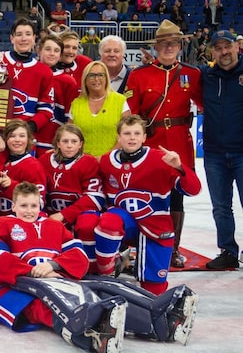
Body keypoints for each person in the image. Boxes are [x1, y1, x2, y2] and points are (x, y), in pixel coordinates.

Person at [0, 181, 126, 353]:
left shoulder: (55, 226)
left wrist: (52, 265)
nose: (29, 211)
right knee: (39, 307)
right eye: (23, 205)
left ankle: (147, 320)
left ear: (40, 205)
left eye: (34, 205)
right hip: (13, 285)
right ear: (13, 206)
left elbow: (79, 256)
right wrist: (33, 272)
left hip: (56, 280)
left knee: (98, 295)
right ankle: (85, 336)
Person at [124, 19, 203, 269]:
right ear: (156, 47)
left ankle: (173, 249)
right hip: (152, 145)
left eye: (173, 43)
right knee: (148, 197)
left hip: (180, 141)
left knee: (178, 197)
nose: (169, 48)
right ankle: (143, 245)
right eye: (164, 44)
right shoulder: (139, 75)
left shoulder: (193, 74)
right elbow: (131, 114)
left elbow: (205, 104)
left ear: (179, 46)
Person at [96, 115, 201, 294]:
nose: (132, 137)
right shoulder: (107, 161)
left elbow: (194, 190)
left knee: (154, 288)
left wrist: (180, 167)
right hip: (125, 222)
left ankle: (155, 314)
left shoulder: (162, 159)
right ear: (119, 137)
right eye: (127, 133)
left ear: (144, 137)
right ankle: (106, 272)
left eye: (137, 133)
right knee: (107, 223)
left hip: (155, 226)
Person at [201, 30, 243, 269]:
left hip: (242, 152)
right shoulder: (206, 74)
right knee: (221, 207)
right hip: (215, 153)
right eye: (218, 48)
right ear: (212, 52)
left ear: (236, 46)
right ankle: (227, 251)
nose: (224, 52)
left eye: (227, 46)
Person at [39, 124, 105, 271]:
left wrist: (64, 215)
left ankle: (91, 268)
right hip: (52, 212)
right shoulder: (44, 160)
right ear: (57, 143)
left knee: (87, 224)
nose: (69, 146)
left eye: (74, 142)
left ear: (81, 144)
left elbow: (95, 198)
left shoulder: (88, 162)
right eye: (65, 141)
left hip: (80, 213)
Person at [0, 18, 54, 137]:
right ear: (12, 38)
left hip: (23, 137)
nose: (24, 38)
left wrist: (27, 129)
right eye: (19, 34)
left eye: (28, 34)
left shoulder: (44, 71)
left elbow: (46, 110)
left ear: (34, 38)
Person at [69, 61, 130, 158]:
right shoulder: (76, 104)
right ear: (85, 79)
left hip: (114, 160)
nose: (96, 79)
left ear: (106, 78)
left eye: (100, 75)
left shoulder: (120, 101)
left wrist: (105, 158)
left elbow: (127, 135)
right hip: (82, 162)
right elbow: (69, 135)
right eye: (92, 75)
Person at [34, 34, 79, 156]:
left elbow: (69, 119)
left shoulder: (68, 82)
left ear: (60, 56)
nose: (52, 54)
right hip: (24, 140)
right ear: (38, 51)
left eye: (56, 51)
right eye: (48, 49)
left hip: (51, 144)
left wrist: (61, 144)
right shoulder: (27, 74)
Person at [0, 120, 47, 216]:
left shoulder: (33, 166)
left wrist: (12, 185)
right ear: (5, 139)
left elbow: (39, 202)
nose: (17, 140)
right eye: (12, 136)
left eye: (22, 136)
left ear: (29, 139)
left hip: (20, 221)